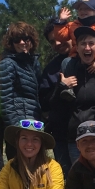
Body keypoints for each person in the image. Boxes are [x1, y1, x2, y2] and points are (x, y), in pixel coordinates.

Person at [48, 26, 95, 165]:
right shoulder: (68, 70)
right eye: (83, 44)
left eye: (91, 43)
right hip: (76, 140)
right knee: (79, 182)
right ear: (76, 48)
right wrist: (61, 86)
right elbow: (53, 105)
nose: (87, 48)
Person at [0, 21, 42, 157]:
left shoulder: (33, 63)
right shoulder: (7, 64)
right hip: (19, 127)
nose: (22, 42)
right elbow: (5, 101)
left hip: (34, 123)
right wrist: (16, 130)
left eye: (26, 38)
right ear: (11, 43)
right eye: (17, 39)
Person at [38, 20, 74, 168]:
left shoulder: (90, 60)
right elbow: (45, 103)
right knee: (66, 178)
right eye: (52, 41)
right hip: (62, 136)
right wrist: (60, 88)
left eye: (60, 37)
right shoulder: (50, 70)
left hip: (90, 133)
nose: (57, 44)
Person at [52, 0, 95, 75]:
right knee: (66, 62)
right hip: (77, 57)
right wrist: (61, 22)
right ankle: (69, 85)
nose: (82, 11)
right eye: (80, 9)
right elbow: (60, 36)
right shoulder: (73, 25)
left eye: (86, 9)